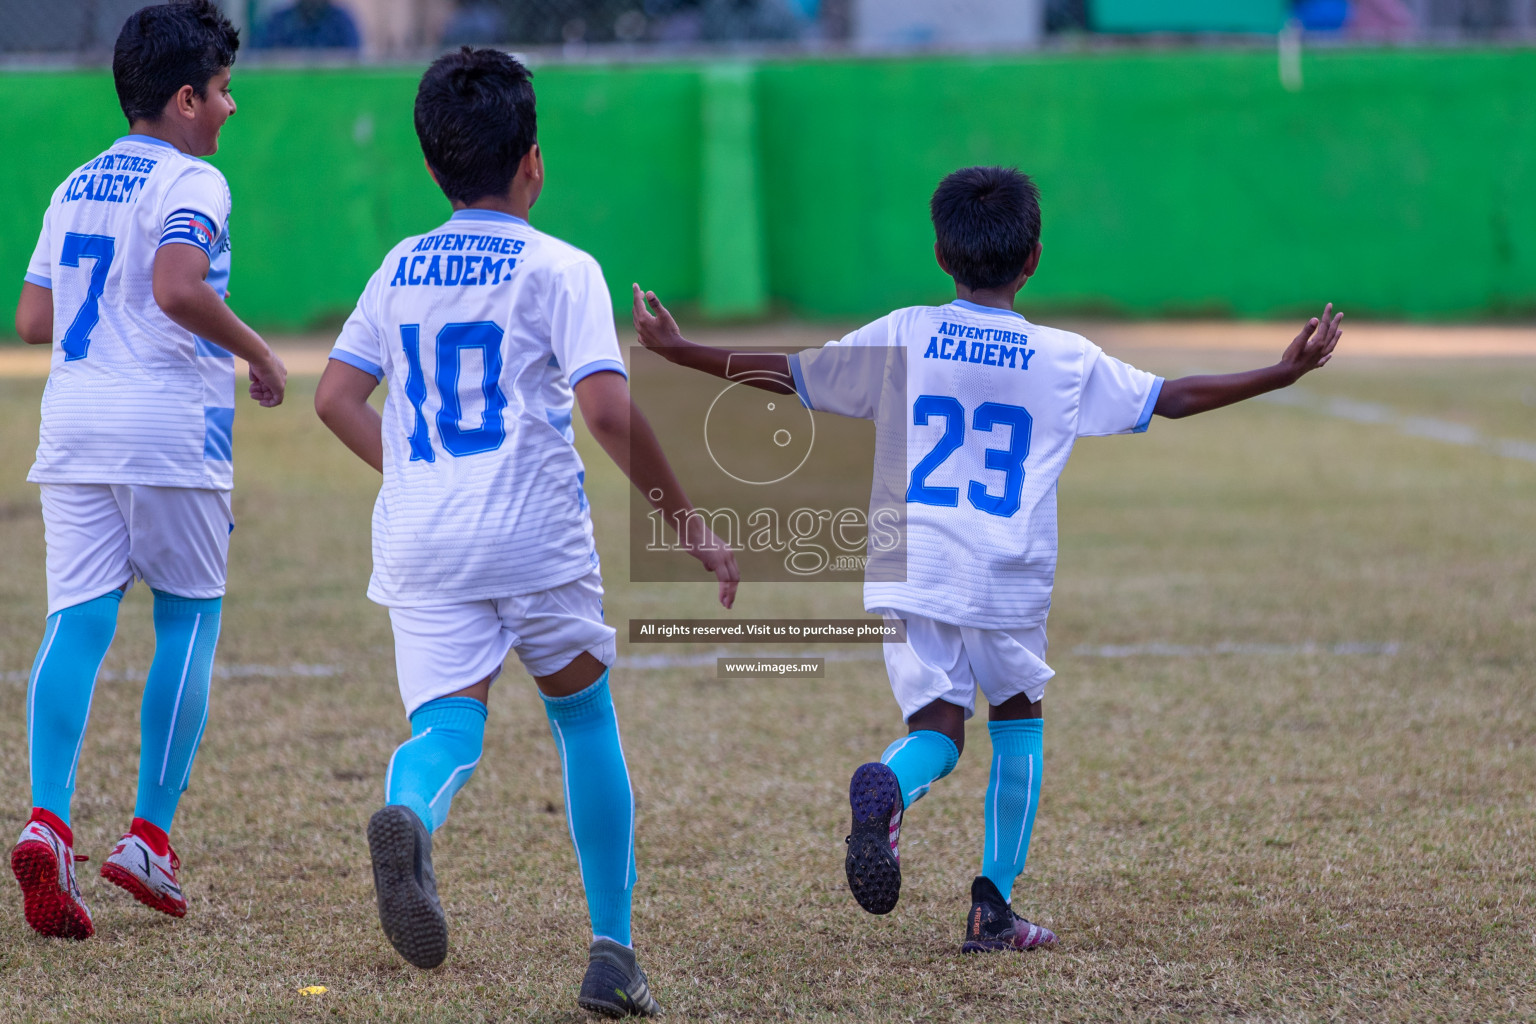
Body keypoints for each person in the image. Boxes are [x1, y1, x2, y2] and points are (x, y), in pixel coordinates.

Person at [631, 165, 1342, 954]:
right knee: (1017, 716)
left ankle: (891, 784)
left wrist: (681, 348)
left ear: (941, 252)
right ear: (1034, 257)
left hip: (911, 567)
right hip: (1004, 574)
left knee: (937, 725)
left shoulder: (903, 333)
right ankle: (993, 908)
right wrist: (1286, 368)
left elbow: (790, 375)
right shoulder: (1064, 359)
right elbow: (1170, 398)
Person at [313, 46, 736, 1017]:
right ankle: (612, 952)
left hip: (423, 534)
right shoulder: (561, 267)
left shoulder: (399, 265)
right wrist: (690, 524)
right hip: (532, 532)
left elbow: (336, 397)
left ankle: (413, 814)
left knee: (447, 726)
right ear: (534, 161)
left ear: (433, 167)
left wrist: (423, 474)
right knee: (582, 715)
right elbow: (609, 414)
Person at [10, 0, 287, 940]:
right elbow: (175, 285)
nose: (230, 106)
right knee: (189, 621)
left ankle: (47, 822)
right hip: (172, 430)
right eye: (220, 89)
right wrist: (258, 351)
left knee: (78, 624)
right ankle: (147, 841)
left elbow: (34, 322)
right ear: (182, 99)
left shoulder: (72, 184)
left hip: (77, 427)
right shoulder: (194, 181)